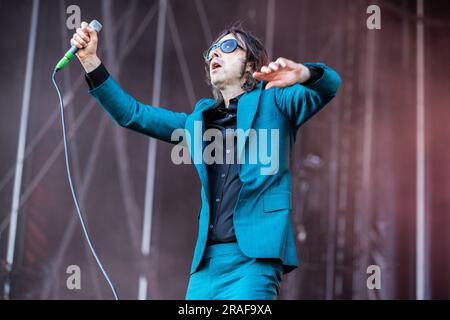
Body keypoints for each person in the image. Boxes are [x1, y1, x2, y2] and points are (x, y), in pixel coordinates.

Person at [71, 21, 341, 300]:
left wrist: (305, 73)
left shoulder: (275, 102)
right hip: (206, 267)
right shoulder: (198, 123)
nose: (214, 54)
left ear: (250, 65)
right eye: (211, 51)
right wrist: (90, 60)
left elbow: (329, 87)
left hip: (253, 261)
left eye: (226, 47)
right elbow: (132, 114)